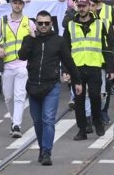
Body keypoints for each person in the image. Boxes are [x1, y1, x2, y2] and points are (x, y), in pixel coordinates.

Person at [19, 10, 81, 166]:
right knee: (38, 122)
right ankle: (42, 148)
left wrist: (77, 81)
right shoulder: (29, 39)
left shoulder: (58, 41)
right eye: (40, 23)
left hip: (51, 85)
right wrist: (30, 40)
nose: (43, 26)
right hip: (33, 86)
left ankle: (47, 152)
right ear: (36, 24)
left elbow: (69, 61)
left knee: (48, 120)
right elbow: (22, 56)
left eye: (47, 23)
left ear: (51, 24)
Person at [65, 0, 114, 140]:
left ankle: (97, 121)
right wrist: (66, 70)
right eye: (79, 6)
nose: (81, 9)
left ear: (89, 7)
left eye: (84, 6)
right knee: (79, 100)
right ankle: (82, 129)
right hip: (77, 67)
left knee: (95, 96)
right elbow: (66, 50)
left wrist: (110, 68)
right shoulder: (71, 25)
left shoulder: (100, 24)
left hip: (94, 65)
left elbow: (107, 48)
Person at [0, 0, 35, 138]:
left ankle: (17, 125)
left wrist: (32, 37)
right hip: (7, 65)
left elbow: (36, 40)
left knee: (19, 95)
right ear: (11, 4)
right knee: (8, 97)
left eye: (20, 3)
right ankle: (13, 120)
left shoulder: (28, 22)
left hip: (23, 64)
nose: (17, 5)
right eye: (15, 2)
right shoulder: (2, 21)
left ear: (23, 5)